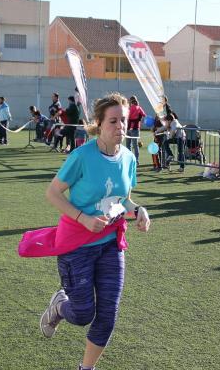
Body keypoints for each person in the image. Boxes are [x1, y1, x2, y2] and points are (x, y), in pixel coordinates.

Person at [19, 92, 150, 370]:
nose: (120, 127)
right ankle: (59, 306)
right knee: (81, 314)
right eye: (113, 121)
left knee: (108, 315)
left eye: (123, 121)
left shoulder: (128, 158)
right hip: (76, 245)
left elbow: (123, 200)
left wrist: (139, 211)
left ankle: (86, 368)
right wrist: (82, 218)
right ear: (99, 124)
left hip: (110, 245)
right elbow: (53, 193)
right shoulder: (81, 156)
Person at [126, 96, 146, 165]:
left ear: (130, 101)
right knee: (135, 145)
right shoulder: (139, 107)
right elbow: (144, 115)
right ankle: (136, 160)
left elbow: (127, 117)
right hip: (135, 128)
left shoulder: (130, 108)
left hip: (129, 128)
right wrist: (139, 119)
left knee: (128, 145)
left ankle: (129, 160)